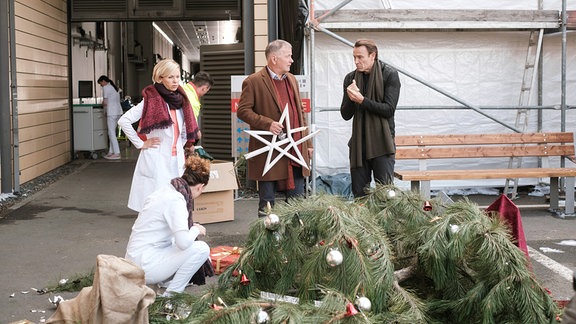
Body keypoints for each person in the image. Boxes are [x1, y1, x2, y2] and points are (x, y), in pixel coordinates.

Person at [237, 39, 314, 217]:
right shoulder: (254, 81)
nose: (291, 60)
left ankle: (293, 239)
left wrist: (308, 142)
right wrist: (267, 123)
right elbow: (242, 111)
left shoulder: (292, 79)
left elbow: (299, 114)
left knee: (296, 202)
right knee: (267, 203)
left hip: (295, 148)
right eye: (288, 56)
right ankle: (266, 240)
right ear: (274, 59)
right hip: (268, 150)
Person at [118, 58, 200, 212]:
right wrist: (141, 144)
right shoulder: (151, 101)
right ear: (159, 78)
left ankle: (173, 232)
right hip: (157, 158)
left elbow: (182, 128)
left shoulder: (181, 100)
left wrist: (180, 144)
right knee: (155, 203)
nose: (176, 81)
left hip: (176, 159)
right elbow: (124, 121)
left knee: (175, 200)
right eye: (170, 77)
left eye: (177, 77)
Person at [125, 153, 210, 296]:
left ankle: (163, 282)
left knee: (175, 239)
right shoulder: (177, 201)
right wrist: (195, 229)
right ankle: (170, 298)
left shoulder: (166, 191)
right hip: (145, 266)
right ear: (200, 187)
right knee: (201, 249)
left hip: (133, 260)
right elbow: (183, 243)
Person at [340, 39, 401, 198]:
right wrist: (351, 98)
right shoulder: (350, 78)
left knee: (386, 194)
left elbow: (389, 110)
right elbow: (345, 115)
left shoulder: (389, 74)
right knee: (360, 194)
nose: (356, 61)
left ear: (372, 55)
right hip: (359, 144)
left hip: (383, 142)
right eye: (354, 57)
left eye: (360, 57)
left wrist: (362, 100)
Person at [97, 75, 123, 160]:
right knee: (112, 133)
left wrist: (104, 110)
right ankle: (111, 152)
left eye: (101, 84)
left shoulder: (106, 88)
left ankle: (117, 153)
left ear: (104, 81)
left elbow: (105, 102)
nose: (101, 85)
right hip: (118, 112)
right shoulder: (114, 88)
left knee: (111, 133)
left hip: (112, 112)